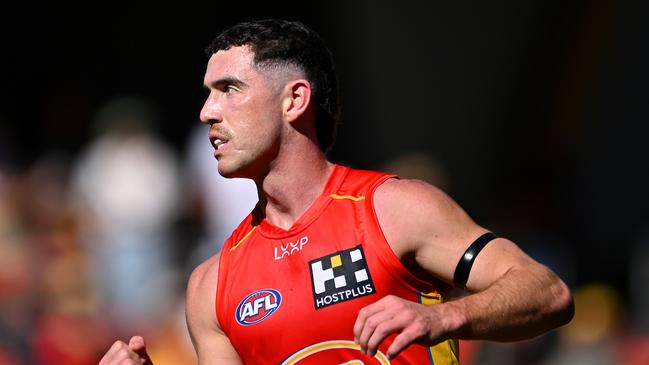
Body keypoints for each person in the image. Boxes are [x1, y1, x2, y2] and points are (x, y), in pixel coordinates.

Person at [99, 19, 574, 365]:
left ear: (294, 99)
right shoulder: (212, 284)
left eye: (229, 89)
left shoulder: (392, 208)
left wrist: (443, 320)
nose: (207, 111)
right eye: (208, 93)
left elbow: (548, 292)